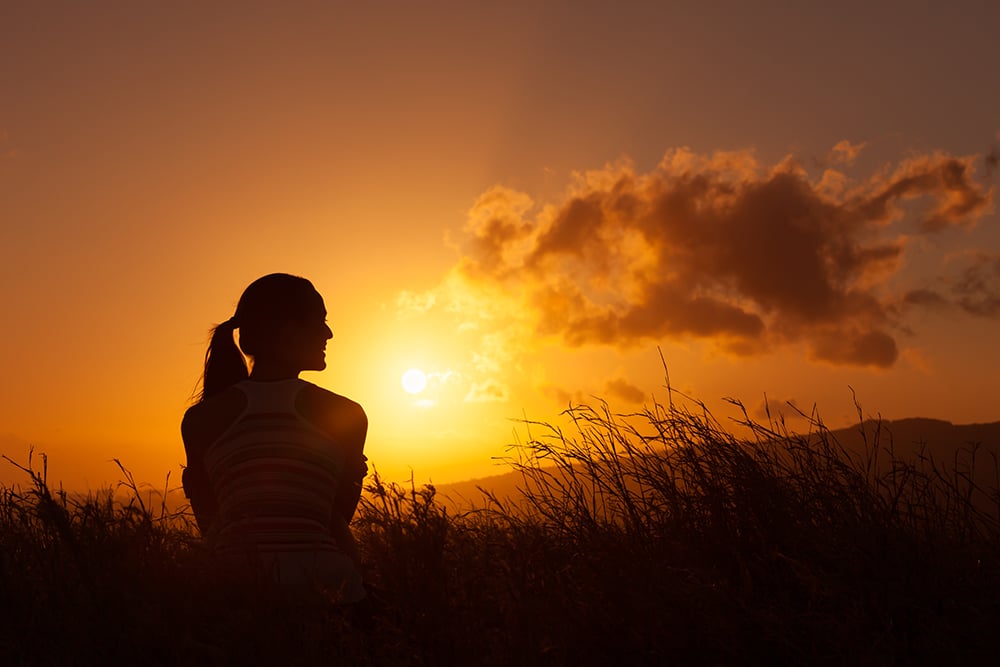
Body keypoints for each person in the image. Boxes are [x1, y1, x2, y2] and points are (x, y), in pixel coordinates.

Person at [181, 273, 369, 603]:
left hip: (231, 595)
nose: (329, 333)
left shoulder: (201, 420)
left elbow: (212, 525)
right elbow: (333, 522)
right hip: (326, 591)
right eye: (320, 321)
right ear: (286, 330)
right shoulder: (346, 415)